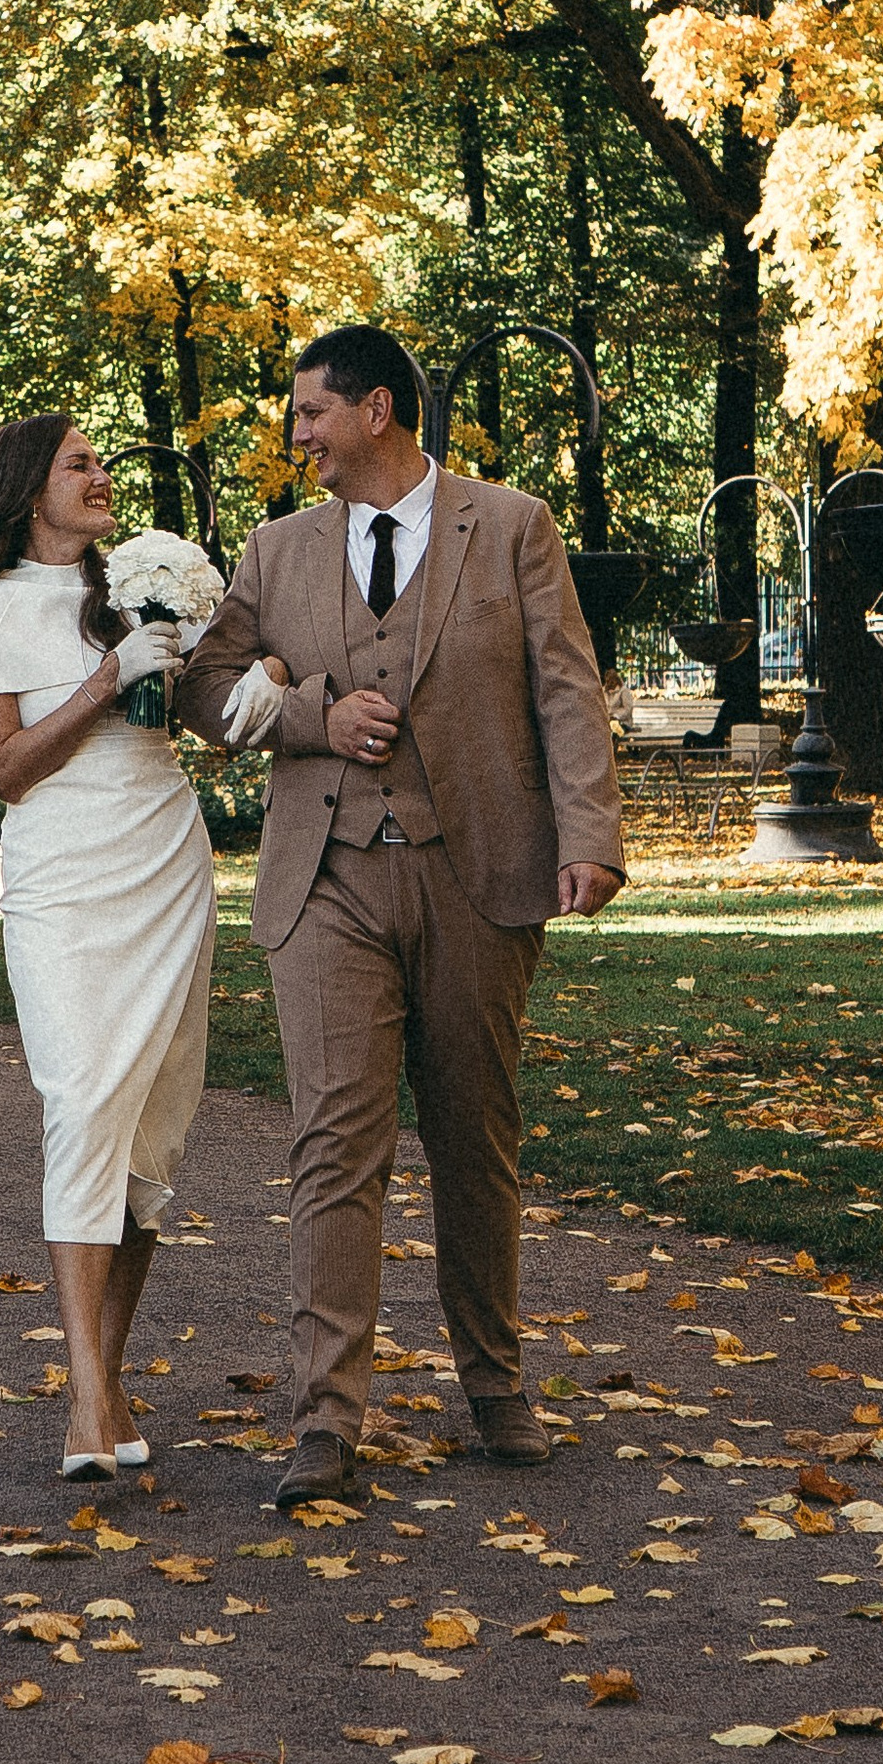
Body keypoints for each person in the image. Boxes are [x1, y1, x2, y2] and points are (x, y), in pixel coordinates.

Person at [179, 325, 625, 1509]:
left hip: (478, 874)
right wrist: (313, 716)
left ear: (377, 409)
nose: (297, 438)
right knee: (333, 1144)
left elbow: (565, 689)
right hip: (324, 877)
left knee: (474, 1139)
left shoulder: (513, 525)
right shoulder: (275, 551)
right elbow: (203, 688)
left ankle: (495, 1387)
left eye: (310, 415)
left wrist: (590, 838)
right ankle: (324, 1422)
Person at [0, 414, 215, 1481]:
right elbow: (7, 767)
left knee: (150, 1138)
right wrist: (105, 675)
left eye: (101, 462)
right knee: (83, 1100)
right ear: (25, 488)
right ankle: (86, 1399)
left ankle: (107, 1385)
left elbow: (210, 708)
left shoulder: (134, 586)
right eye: (79, 464)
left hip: (165, 862)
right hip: (64, 880)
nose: (102, 477)